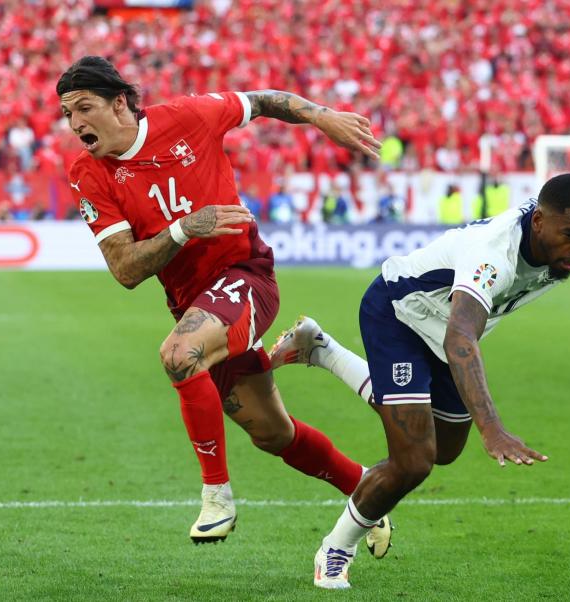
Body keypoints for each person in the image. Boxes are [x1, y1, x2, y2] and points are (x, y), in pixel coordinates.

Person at [270, 173, 570, 589]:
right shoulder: (495, 251)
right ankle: (335, 550)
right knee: (414, 460)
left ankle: (323, 350)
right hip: (399, 314)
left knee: (442, 449)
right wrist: (493, 428)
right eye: (569, 237)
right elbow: (462, 337)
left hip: (449, 334)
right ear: (539, 221)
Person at [55, 56, 393, 549]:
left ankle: (217, 498)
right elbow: (125, 269)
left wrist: (321, 116)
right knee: (274, 434)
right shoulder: (87, 174)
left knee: (178, 354)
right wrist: (183, 228)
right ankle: (365, 488)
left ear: (121, 102)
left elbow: (263, 100)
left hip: (245, 276)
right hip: (195, 303)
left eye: (84, 108)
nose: (75, 123)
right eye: (67, 115)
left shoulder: (189, 117)